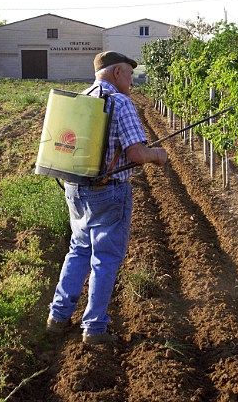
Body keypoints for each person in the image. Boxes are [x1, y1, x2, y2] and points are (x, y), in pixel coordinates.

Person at [46, 51, 167, 345]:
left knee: (78, 250)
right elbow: (136, 153)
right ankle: (95, 328)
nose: (132, 81)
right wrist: (157, 155)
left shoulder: (81, 98)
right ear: (116, 73)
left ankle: (58, 317)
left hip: (76, 189)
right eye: (129, 74)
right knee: (106, 258)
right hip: (109, 191)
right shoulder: (120, 102)